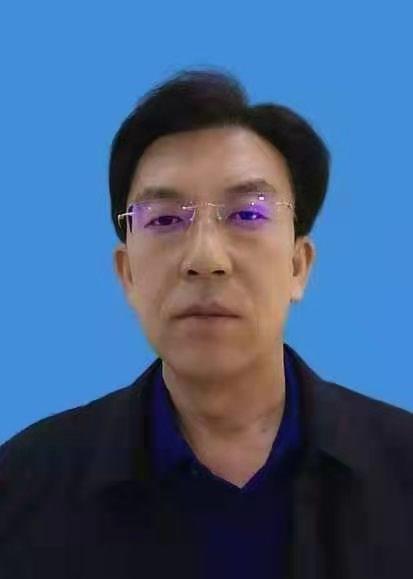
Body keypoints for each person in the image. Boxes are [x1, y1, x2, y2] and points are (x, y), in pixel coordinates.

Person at [0, 68, 412, 579]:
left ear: (298, 266)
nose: (205, 258)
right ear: (128, 274)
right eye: (165, 219)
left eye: (247, 215)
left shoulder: (403, 472)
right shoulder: (23, 490)